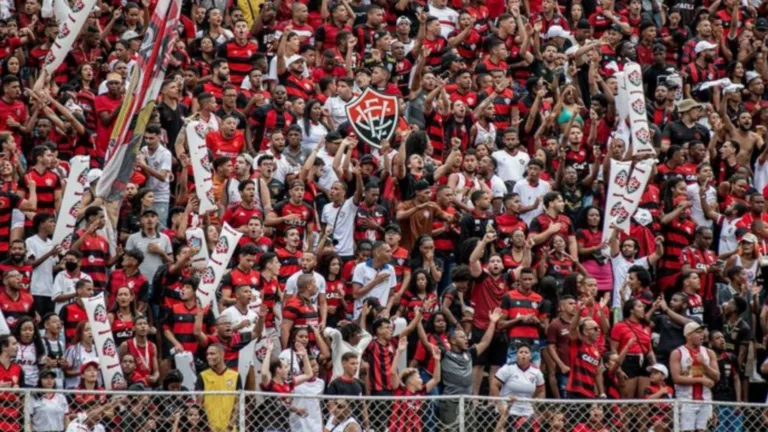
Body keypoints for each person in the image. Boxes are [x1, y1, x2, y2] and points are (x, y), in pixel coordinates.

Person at [670, 322, 720, 432]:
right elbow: (676, 378)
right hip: (686, 399)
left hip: (705, 399)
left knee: (704, 430)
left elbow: (716, 377)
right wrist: (700, 380)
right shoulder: (677, 353)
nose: (702, 335)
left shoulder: (709, 352)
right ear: (688, 335)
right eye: (698, 333)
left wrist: (705, 364)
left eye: (702, 333)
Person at [490, 343, 545, 432]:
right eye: (521, 352)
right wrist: (499, 403)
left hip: (527, 410)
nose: (523, 354)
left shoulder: (536, 372)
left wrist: (534, 402)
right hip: (508, 409)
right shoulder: (508, 368)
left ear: (530, 356)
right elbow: (494, 384)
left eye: (526, 352)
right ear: (516, 355)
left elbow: (541, 390)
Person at [195, 344, 241, 432]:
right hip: (209, 428)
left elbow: (237, 404)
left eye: (212, 354)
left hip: (230, 429)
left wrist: (230, 426)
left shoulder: (235, 376)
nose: (208, 357)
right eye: (207, 354)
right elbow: (199, 405)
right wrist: (206, 426)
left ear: (222, 354)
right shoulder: (202, 376)